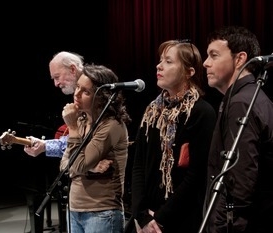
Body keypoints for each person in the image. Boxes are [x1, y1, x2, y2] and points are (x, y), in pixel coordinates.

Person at [129, 40, 217, 233]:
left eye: (168, 61)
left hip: (180, 218)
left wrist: (160, 219)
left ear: (189, 72)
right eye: (161, 60)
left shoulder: (201, 112)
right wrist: (141, 214)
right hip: (145, 219)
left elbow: (196, 175)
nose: (159, 66)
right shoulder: (152, 110)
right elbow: (138, 165)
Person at [202, 26, 273, 233]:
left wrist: (219, 227)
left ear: (240, 59)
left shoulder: (242, 103)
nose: (206, 63)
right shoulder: (247, 97)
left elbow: (240, 181)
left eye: (214, 55)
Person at [60, 63, 132, 233]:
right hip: (75, 209)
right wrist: (90, 167)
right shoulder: (81, 120)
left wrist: (74, 130)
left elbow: (76, 165)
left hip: (101, 213)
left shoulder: (111, 126)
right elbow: (64, 166)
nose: (76, 94)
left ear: (102, 98)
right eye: (77, 87)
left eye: (86, 92)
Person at [24, 51, 84, 158]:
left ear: (73, 69)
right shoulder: (82, 95)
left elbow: (82, 148)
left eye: (57, 77)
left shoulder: (94, 96)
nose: (56, 84)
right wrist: (44, 146)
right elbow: (73, 145)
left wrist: (45, 146)